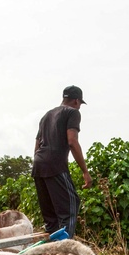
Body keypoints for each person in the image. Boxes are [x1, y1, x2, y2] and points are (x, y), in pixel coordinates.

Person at [32, 85, 92, 238]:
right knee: (71, 207)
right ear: (76, 101)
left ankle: (50, 248)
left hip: (38, 164)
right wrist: (85, 171)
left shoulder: (46, 116)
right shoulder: (73, 113)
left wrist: (40, 164)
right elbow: (72, 141)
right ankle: (64, 249)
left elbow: (37, 144)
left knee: (50, 216)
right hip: (55, 164)